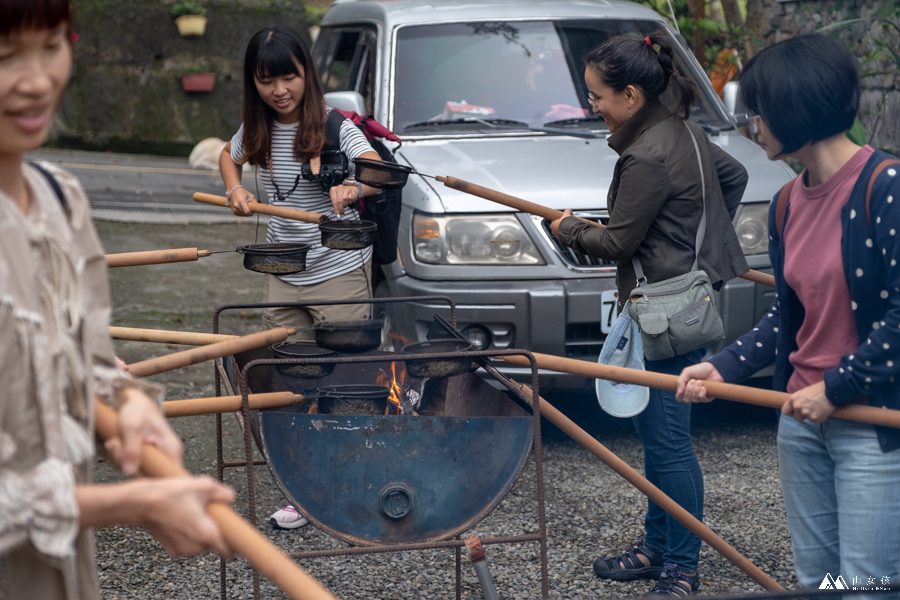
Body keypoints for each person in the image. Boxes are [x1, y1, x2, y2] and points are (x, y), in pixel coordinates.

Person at [0, 2, 236, 598]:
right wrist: (128, 504)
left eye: (52, 45)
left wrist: (128, 404)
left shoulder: (62, 199)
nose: (36, 80)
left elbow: (93, 365)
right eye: (5, 57)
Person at [676, 34, 900, 593]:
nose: (754, 125)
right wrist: (723, 368)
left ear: (793, 107)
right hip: (800, 420)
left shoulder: (886, 188)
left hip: (871, 425)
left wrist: (837, 388)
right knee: (818, 584)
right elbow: (790, 318)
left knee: (868, 586)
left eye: (758, 111)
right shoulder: (786, 202)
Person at [548, 31, 749, 596]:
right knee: (658, 436)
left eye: (597, 97)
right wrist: (698, 242)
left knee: (668, 444)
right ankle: (657, 548)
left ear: (631, 95)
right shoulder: (682, 129)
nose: (592, 106)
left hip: (666, 312)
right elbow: (733, 177)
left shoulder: (646, 155)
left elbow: (615, 244)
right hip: (673, 304)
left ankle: (681, 565)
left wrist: (565, 228)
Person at [219, 25, 382, 531]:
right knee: (292, 382)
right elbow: (229, 155)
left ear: (306, 74)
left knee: (347, 383)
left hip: (338, 270)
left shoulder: (335, 126)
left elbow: (377, 169)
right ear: (254, 83)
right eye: (267, 81)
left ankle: (354, 484)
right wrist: (235, 190)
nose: (280, 90)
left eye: (288, 77)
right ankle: (304, 490)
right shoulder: (257, 127)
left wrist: (354, 186)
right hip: (283, 271)